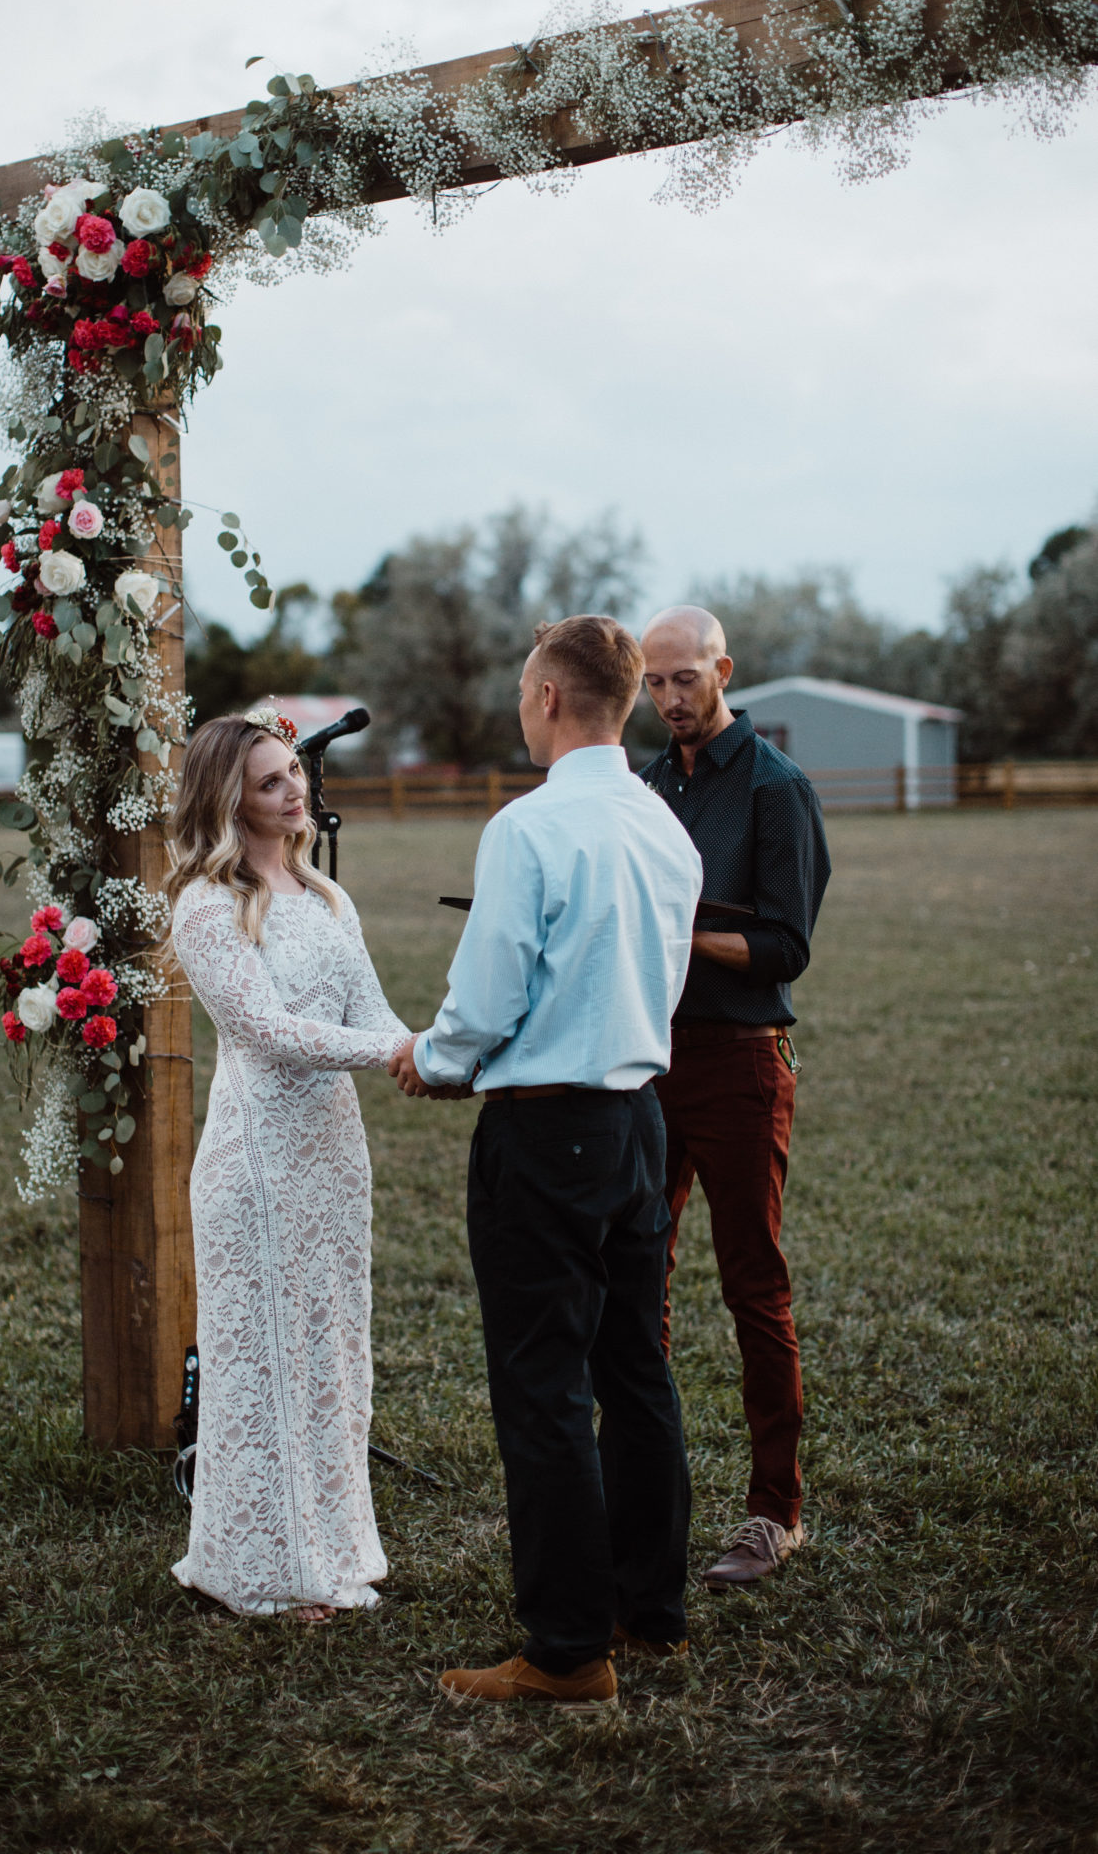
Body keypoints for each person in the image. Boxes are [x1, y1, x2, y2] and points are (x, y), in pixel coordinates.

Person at [389, 616, 703, 1707]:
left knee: (544, 1386)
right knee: (635, 1364)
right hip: (636, 1118)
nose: (522, 705)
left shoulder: (527, 829)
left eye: (526, 688)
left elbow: (485, 1001)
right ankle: (648, 1605)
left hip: (546, 1130)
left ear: (554, 698)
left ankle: (569, 1648)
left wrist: (430, 1059)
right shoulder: (666, 827)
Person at [165, 709, 411, 1622]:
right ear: (229, 798)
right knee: (262, 1357)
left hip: (332, 1153)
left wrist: (439, 1055)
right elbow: (267, 1034)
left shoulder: (326, 899)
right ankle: (265, 1568)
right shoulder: (203, 903)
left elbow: (375, 1011)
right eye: (270, 782)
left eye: (294, 774)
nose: (295, 790)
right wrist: (396, 1051)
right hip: (257, 1160)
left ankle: (336, 1548)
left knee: (328, 1350)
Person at [638, 606, 831, 1590]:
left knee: (753, 1284)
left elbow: (787, 947)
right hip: (644, 1057)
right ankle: (645, 1496)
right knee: (639, 1276)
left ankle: (774, 1509)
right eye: (654, 683)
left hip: (743, 1061)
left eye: (684, 678)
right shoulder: (645, 782)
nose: (670, 698)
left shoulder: (775, 788)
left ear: (723, 668)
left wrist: (677, 936)